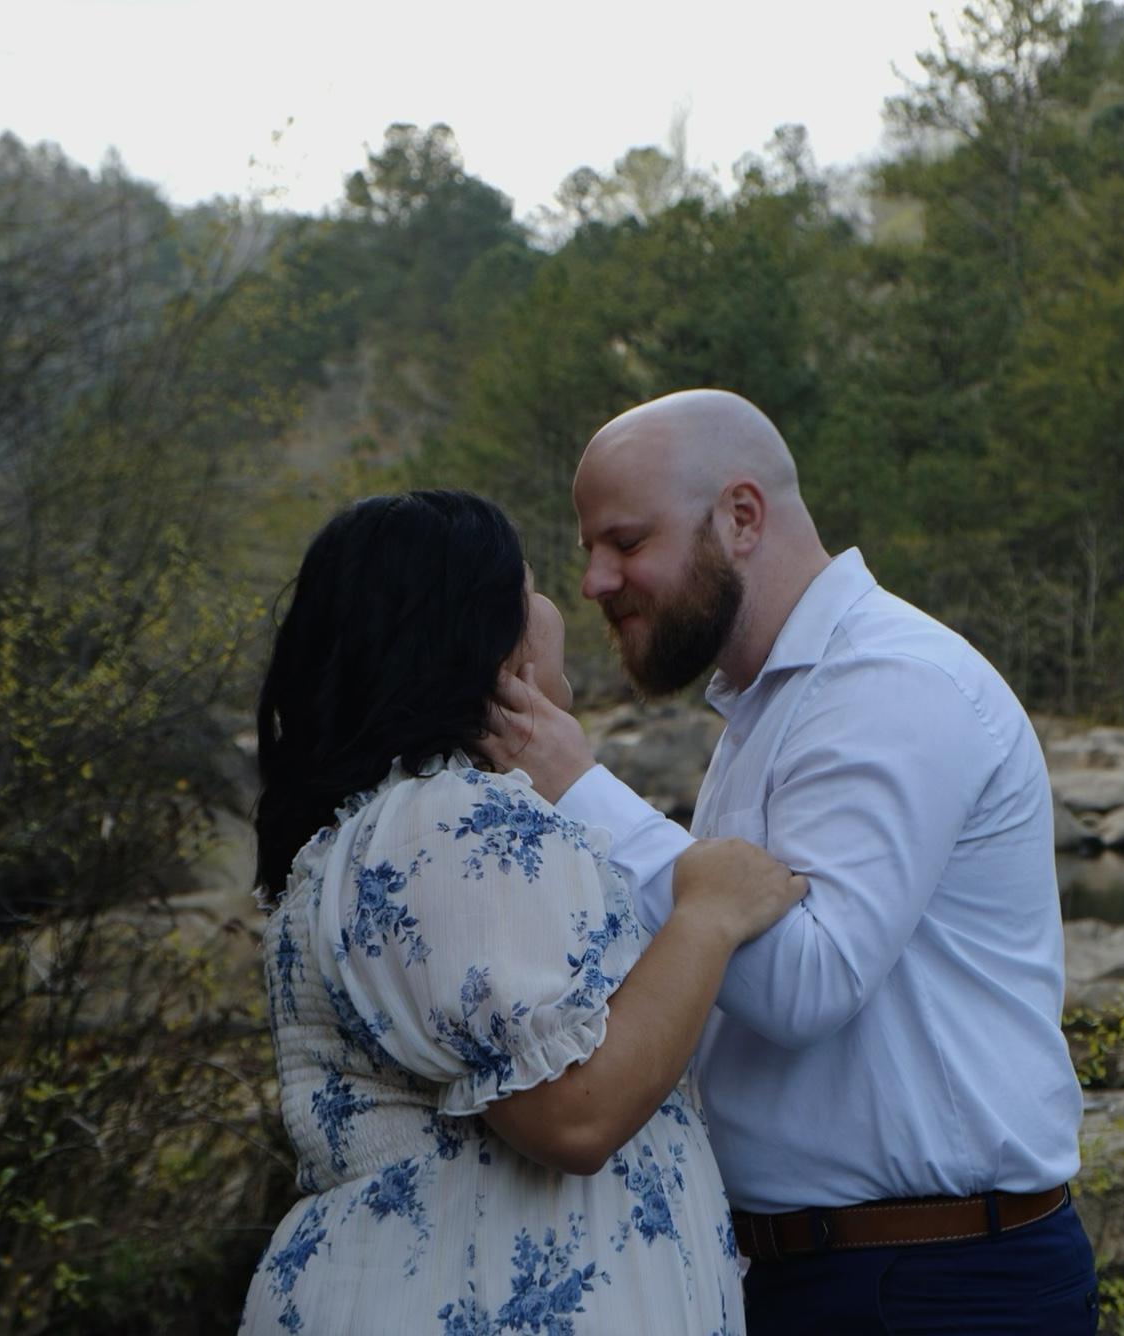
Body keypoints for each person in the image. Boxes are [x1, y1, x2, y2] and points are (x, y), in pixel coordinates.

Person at [484, 390, 1099, 1335]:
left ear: (741, 517)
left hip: (934, 1285)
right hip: (828, 1271)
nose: (597, 580)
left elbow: (809, 983)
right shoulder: (776, 701)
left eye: (627, 541)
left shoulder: (891, 684)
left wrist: (578, 789)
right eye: (589, 549)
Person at [239, 489, 806, 1334]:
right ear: (486, 639)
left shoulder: (387, 826)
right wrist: (707, 916)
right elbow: (573, 1114)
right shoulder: (451, 822)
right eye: (532, 588)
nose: (561, 605)